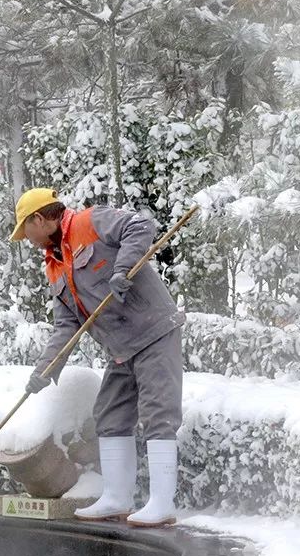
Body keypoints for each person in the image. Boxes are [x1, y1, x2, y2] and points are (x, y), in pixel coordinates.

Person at [10, 187, 185, 527]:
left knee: (158, 413)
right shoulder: (54, 265)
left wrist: (123, 268)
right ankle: (117, 498)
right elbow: (67, 325)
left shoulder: (90, 221)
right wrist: (45, 369)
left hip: (153, 332)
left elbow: (139, 227)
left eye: (25, 231)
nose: (26, 239)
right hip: (121, 349)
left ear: (38, 219)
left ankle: (162, 504)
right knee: (109, 414)